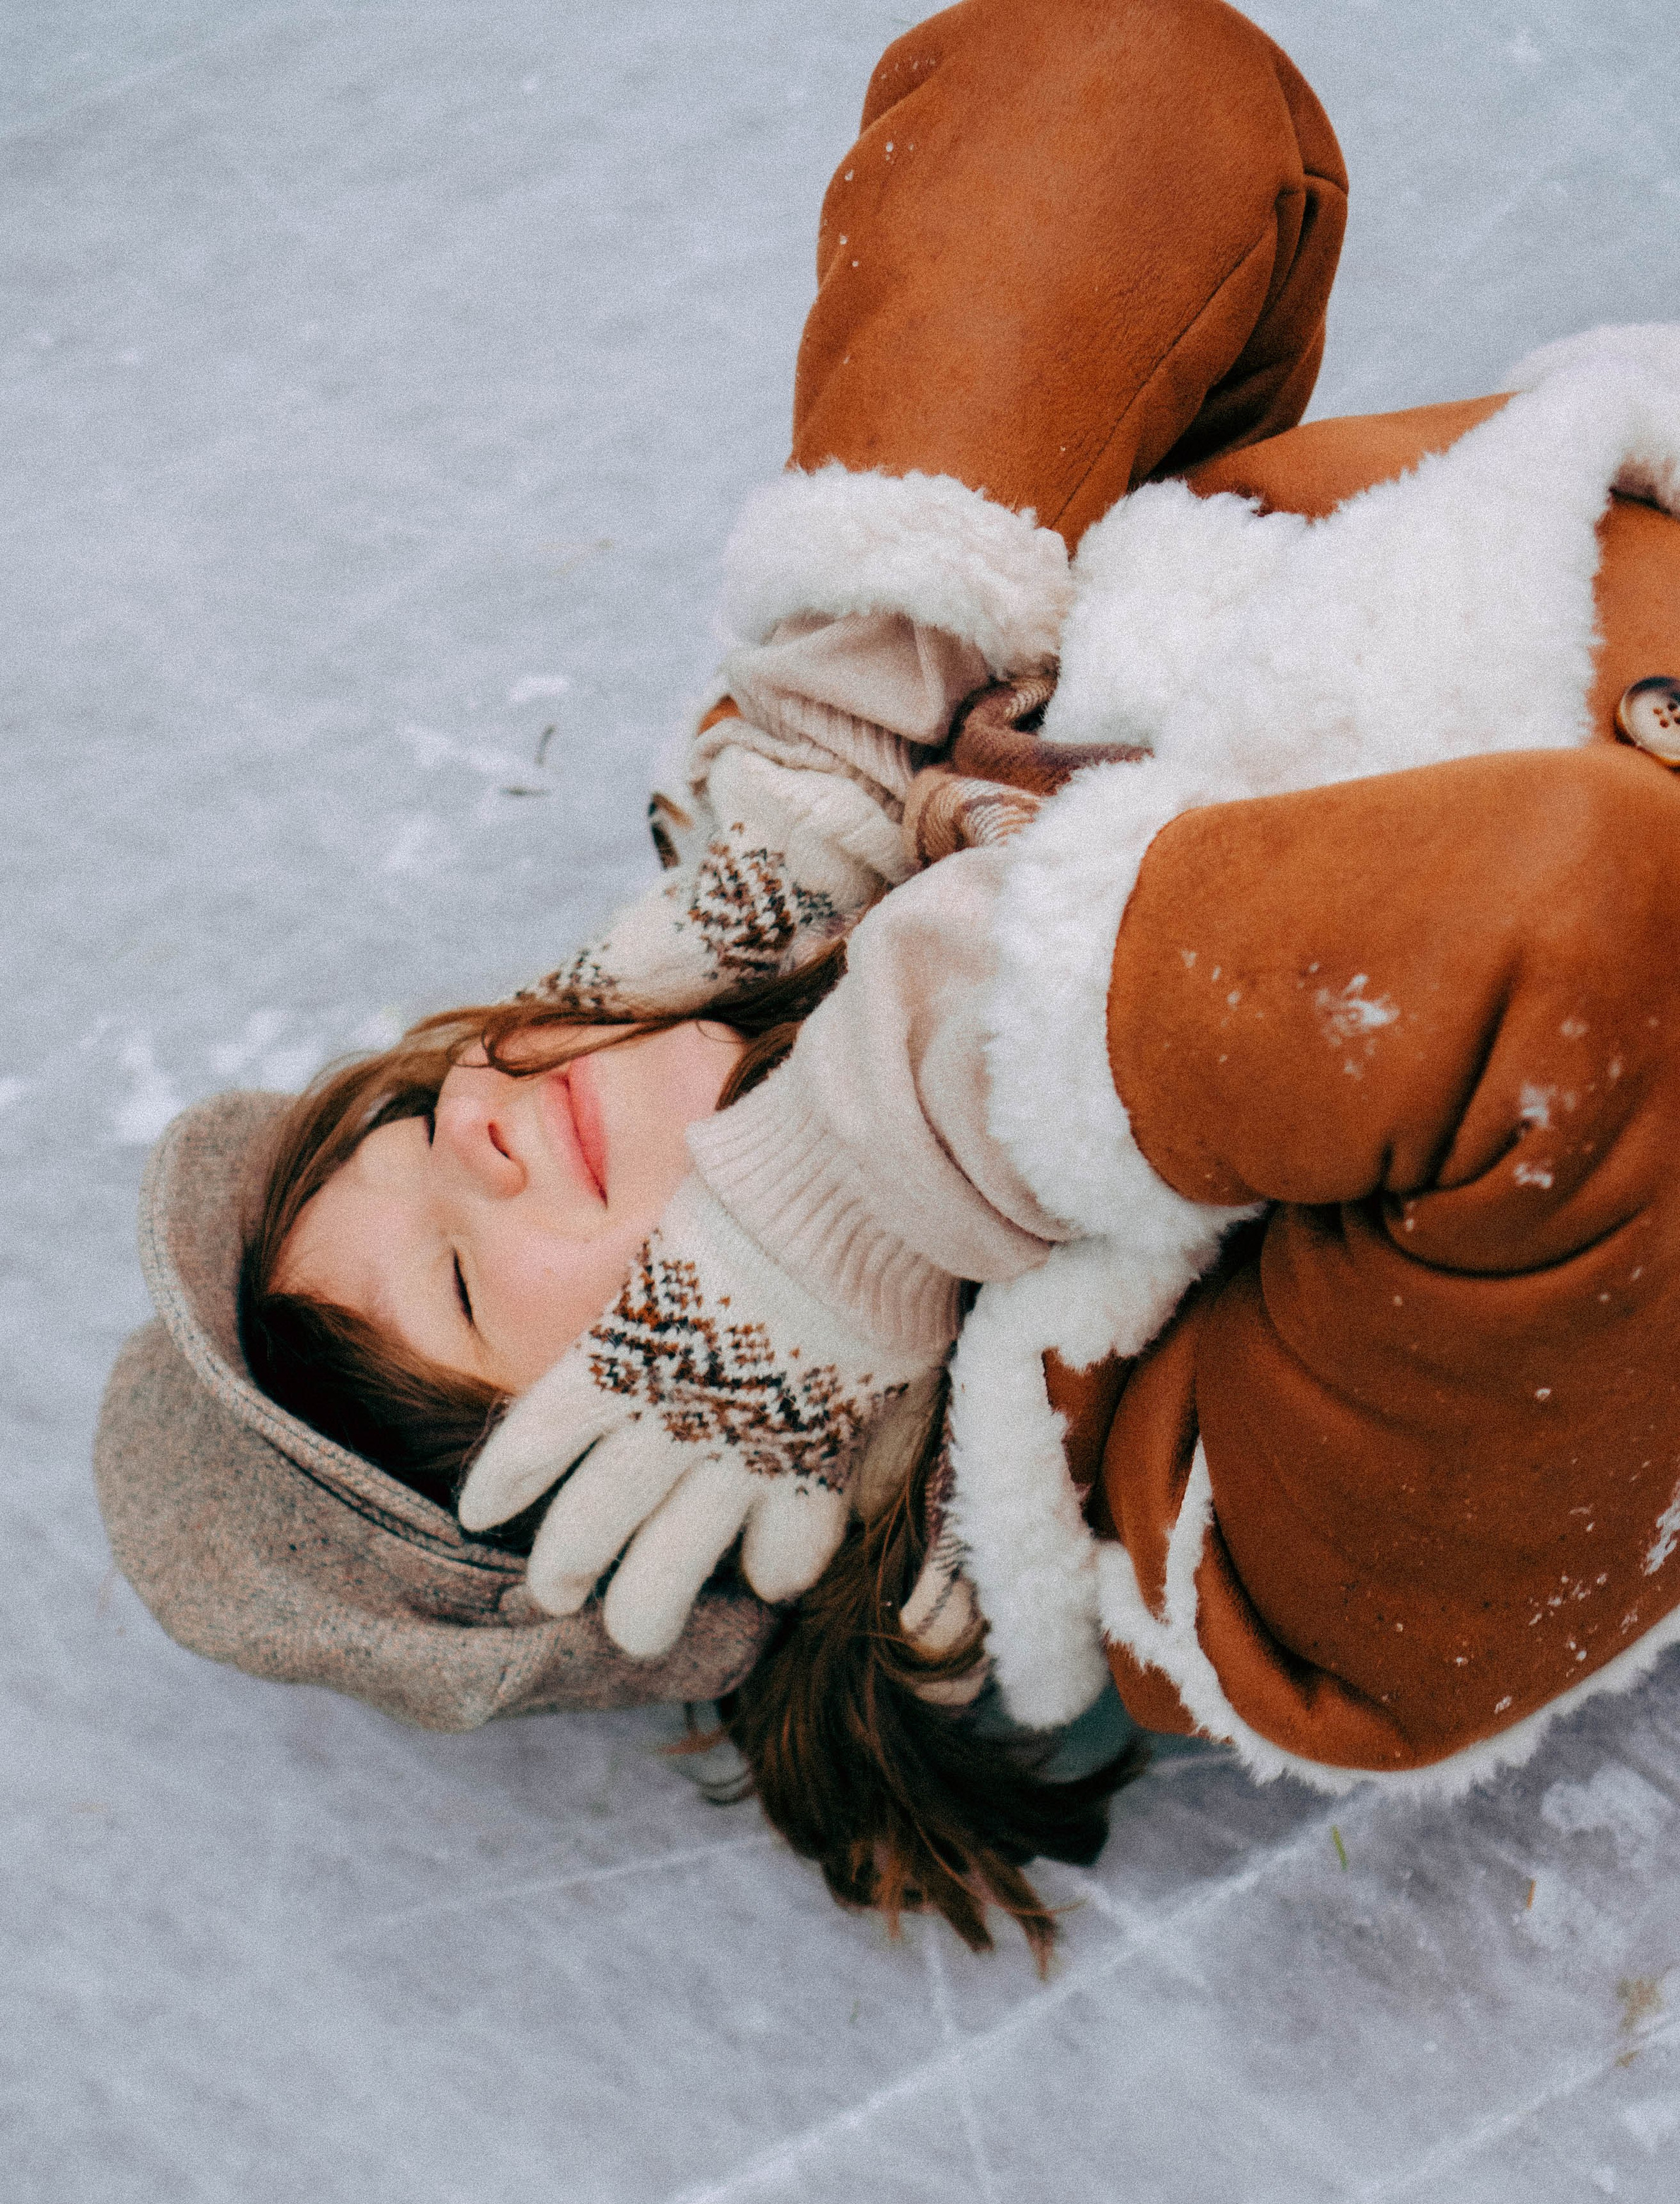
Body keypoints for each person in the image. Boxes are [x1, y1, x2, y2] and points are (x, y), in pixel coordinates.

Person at [96, 0, 1680, 1962]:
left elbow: (1127, 80)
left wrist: (854, 703)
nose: (483, 1117)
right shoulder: (1254, 1586)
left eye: (417, 1119)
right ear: (640, 1500)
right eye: (453, 1268)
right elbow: (1594, 940)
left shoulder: (861, 842)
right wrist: (889, 1147)